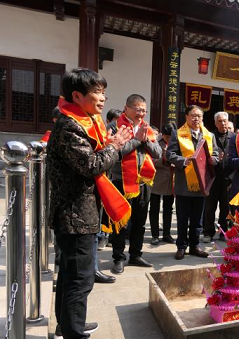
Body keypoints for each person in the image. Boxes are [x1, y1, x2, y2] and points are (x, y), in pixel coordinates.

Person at [48, 68, 131, 338]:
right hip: (74, 214)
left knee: (72, 275)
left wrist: (113, 144)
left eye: (103, 92)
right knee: (80, 278)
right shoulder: (70, 125)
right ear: (77, 95)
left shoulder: (84, 121)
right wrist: (115, 145)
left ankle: (69, 324)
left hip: (80, 213)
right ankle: (73, 331)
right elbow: (91, 165)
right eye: (97, 92)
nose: (103, 98)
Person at [108, 94, 162, 274]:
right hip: (121, 180)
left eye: (144, 110)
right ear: (127, 108)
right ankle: (118, 257)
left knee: (140, 221)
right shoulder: (115, 126)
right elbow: (117, 151)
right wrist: (137, 140)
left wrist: (145, 139)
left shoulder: (147, 128)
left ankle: (136, 254)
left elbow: (158, 153)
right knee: (121, 221)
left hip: (144, 181)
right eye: (138, 110)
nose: (141, 114)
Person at [167, 105, 219, 259]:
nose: (197, 119)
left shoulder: (209, 135)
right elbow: (170, 154)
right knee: (183, 217)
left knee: (197, 219)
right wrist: (184, 160)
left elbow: (215, 153)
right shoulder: (178, 134)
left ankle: (194, 246)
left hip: (202, 183)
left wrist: (214, 159)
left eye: (199, 116)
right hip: (185, 183)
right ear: (187, 117)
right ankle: (181, 246)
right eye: (193, 116)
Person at [203, 112, 234, 243]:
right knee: (210, 207)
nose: (223, 123)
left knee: (226, 207)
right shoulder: (209, 136)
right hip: (213, 177)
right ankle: (208, 232)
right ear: (215, 123)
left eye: (225, 121)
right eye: (220, 121)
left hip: (228, 178)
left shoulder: (235, 137)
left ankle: (223, 231)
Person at [149, 123, 176, 246]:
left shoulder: (177, 141)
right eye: (168, 137)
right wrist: (163, 160)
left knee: (168, 209)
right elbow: (150, 160)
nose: (170, 140)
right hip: (157, 180)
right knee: (154, 208)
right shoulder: (154, 140)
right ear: (163, 135)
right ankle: (155, 235)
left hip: (171, 180)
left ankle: (166, 234)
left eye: (172, 137)